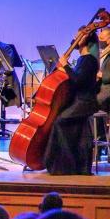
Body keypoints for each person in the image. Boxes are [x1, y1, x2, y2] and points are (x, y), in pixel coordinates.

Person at [44, 34, 100, 175]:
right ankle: (77, 166)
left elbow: (78, 81)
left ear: (85, 40)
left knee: (59, 122)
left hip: (85, 101)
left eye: (78, 37)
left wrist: (66, 66)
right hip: (79, 100)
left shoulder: (89, 60)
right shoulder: (82, 59)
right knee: (77, 130)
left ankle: (64, 167)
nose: (74, 39)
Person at [97, 24, 110, 112]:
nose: (99, 41)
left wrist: (102, 75)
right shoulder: (104, 52)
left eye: (102, 39)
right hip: (101, 87)